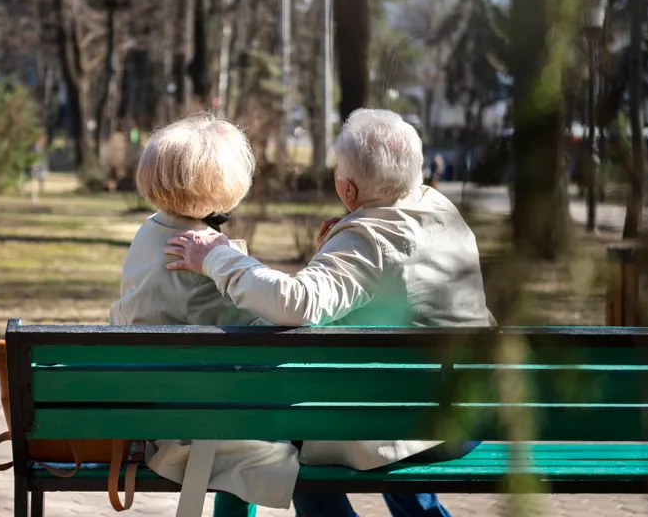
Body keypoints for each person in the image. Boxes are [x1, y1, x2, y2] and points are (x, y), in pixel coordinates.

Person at [164, 108, 495, 517]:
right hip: (473, 412)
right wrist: (337, 246)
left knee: (287, 439)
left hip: (419, 425)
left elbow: (295, 304)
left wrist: (217, 257)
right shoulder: (442, 211)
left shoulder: (367, 242)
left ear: (349, 188)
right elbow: (396, 291)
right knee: (385, 414)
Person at [110, 112, 299, 513]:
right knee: (277, 447)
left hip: (150, 401)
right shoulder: (199, 258)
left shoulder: (150, 232)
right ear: (226, 183)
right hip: (186, 423)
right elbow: (265, 331)